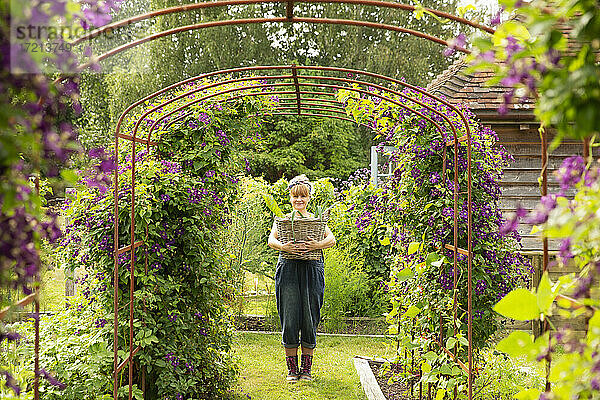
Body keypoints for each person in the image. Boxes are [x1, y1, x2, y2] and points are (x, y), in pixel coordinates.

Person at [267, 175, 336, 382]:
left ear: (309, 198)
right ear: (290, 197)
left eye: (303, 196)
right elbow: (271, 239)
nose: (299, 200)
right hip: (288, 269)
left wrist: (316, 245)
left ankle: (306, 369)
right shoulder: (283, 220)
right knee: (289, 316)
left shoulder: (315, 220)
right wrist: (283, 247)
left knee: (309, 317)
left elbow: (331, 239)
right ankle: (291, 370)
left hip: (312, 270)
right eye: (295, 196)